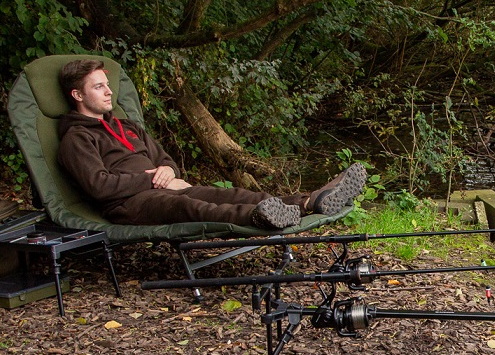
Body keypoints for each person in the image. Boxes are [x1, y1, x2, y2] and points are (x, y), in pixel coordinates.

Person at [56, 58, 366, 229]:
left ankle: (309, 202)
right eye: (99, 87)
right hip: (127, 205)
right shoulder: (76, 138)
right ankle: (260, 217)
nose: (109, 92)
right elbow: (98, 185)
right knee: (189, 206)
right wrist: (152, 179)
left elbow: (166, 159)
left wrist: (166, 169)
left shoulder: (126, 125)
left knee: (231, 192)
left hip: (163, 186)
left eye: (108, 85)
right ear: (78, 95)